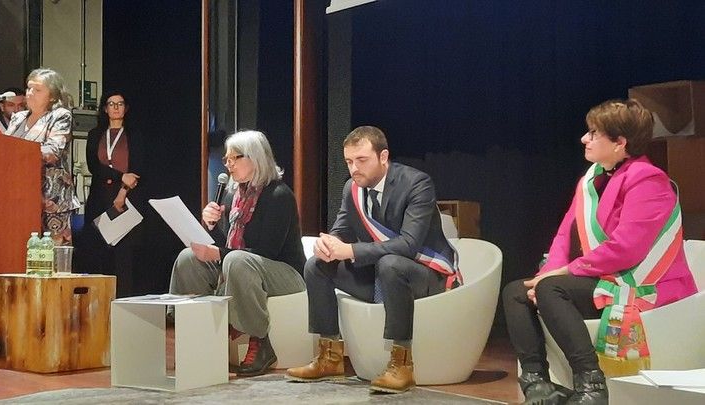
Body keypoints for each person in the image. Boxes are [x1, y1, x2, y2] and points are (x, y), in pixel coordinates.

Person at [502, 99, 698, 405]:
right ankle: (537, 382)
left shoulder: (648, 180)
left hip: (644, 284)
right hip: (606, 278)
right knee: (516, 291)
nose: (584, 138)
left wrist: (560, 273)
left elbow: (626, 248)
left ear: (620, 143)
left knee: (552, 288)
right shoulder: (590, 180)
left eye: (594, 133)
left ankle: (591, 384)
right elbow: (564, 236)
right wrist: (545, 274)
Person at [286, 126, 460, 394]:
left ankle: (402, 364)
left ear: (383, 157)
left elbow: (408, 244)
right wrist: (329, 244)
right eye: (349, 162)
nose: (354, 169)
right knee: (317, 266)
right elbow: (342, 230)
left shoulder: (417, 184)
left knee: (390, 264)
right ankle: (329, 357)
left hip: (424, 275)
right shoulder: (352, 188)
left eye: (361, 160)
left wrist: (351, 251)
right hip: (382, 273)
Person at [169, 130, 306, 377]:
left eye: (234, 158)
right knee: (188, 258)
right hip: (243, 265)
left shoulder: (279, 195)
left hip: (284, 273)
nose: (228, 164)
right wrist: (212, 227)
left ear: (255, 158)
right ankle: (201, 336)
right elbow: (228, 246)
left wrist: (217, 253)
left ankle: (260, 342)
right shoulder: (234, 195)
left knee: (236, 261)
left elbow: (267, 251)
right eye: (226, 159)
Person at [73, 91, 146, 297]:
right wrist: (120, 176)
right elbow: (94, 167)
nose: (115, 107)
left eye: (120, 104)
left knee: (124, 255)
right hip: (99, 198)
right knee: (98, 252)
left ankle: (124, 301)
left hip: (126, 199)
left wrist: (122, 192)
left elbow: (136, 170)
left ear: (126, 108)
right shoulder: (95, 134)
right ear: (105, 109)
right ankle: (98, 301)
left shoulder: (134, 135)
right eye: (111, 104)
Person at [4, 68, 80, 246]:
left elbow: (53, 151)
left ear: (52, 96)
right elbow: (3, 149)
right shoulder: (18, 118)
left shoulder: (60, 116)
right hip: (18, 197)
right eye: (29, 88)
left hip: (50, 202)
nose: (30, 93)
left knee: (51, 255)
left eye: (37, 90)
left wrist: (19, 151)